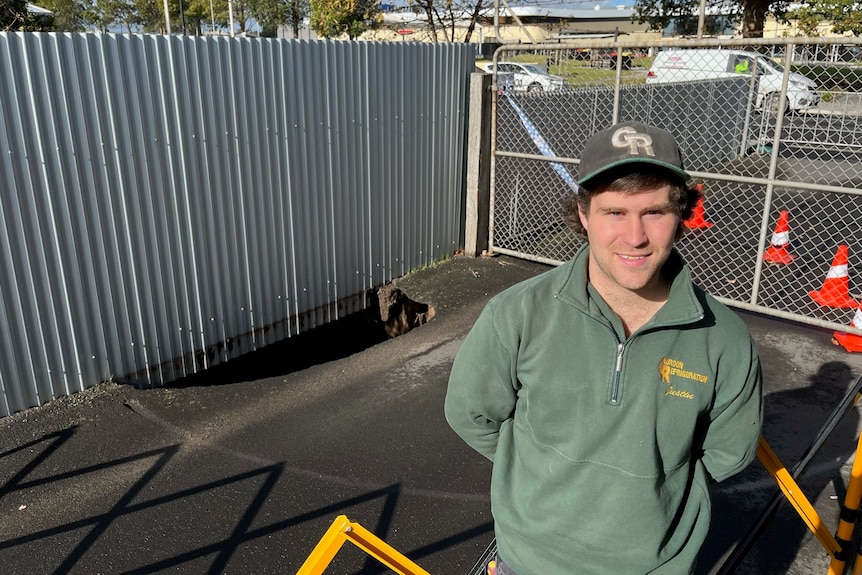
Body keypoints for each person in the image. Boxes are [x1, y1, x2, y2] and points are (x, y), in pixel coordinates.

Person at [445, 121, 763, 575]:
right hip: (529, 563)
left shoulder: (723, 338)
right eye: (615, 212)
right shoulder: (517, 313)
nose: (634, 236)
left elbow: (729, 452)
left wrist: (644, 489)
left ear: (683, 214)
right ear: (583, 214)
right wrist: (546, 471)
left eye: (653, 212)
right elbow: (472, 413)